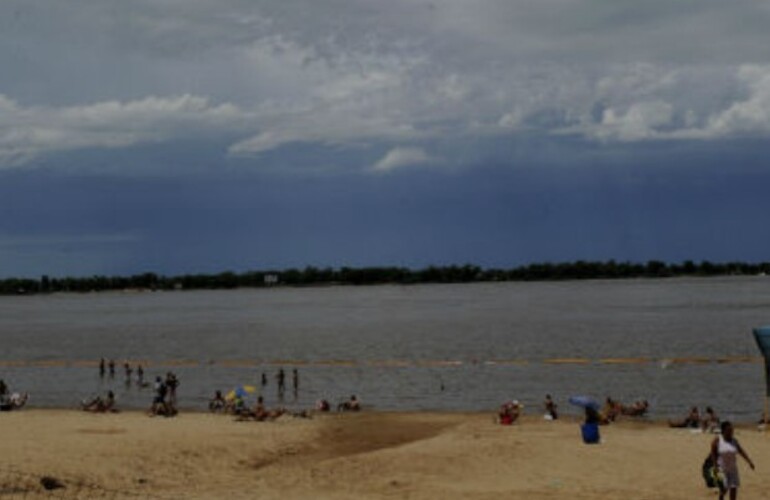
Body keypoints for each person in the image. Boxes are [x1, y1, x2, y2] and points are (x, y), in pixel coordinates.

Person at [711, 421, 755, 500]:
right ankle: (721, 497)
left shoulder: (734, 441)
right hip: (721, 468)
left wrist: (749, 461)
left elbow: (741, 451)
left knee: (733, 488)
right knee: (724, 489)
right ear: (724, 431)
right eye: (729, 430)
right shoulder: (718, 440)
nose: (731, 432)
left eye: (732, 430)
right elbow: (713, 453)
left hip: (733, 469)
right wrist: (715, 466)